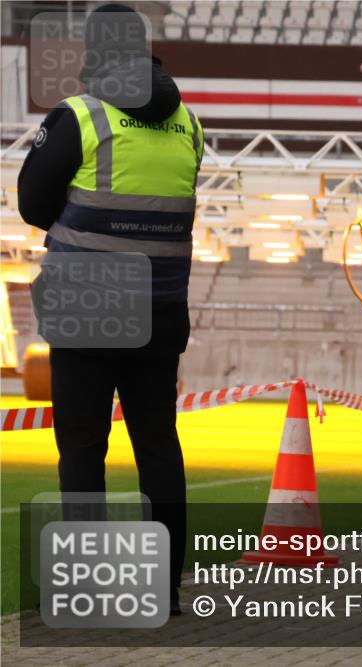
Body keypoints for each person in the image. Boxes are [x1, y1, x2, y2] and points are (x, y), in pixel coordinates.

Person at [17, 4, 202, 616]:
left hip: (87, 307)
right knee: (157, 447)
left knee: (82, 449)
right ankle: (166, 591)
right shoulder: (189, 124)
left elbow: (32, 206)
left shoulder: (80, 115)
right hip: (160, 309)